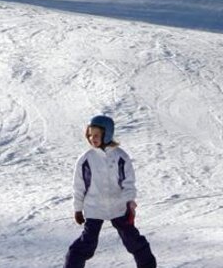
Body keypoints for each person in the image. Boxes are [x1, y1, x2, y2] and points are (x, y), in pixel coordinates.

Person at [64, 115, 156, 268]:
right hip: (94, 208)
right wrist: (78, 209)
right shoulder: (86, 159)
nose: (92, 138)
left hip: (118, 207)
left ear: (107, 134)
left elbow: (128, 182)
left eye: (96, 135)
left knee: (134, 241)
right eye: (90, 135)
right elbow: (79, 186)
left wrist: (129, 203)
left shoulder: (121, 157)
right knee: (85, 245)